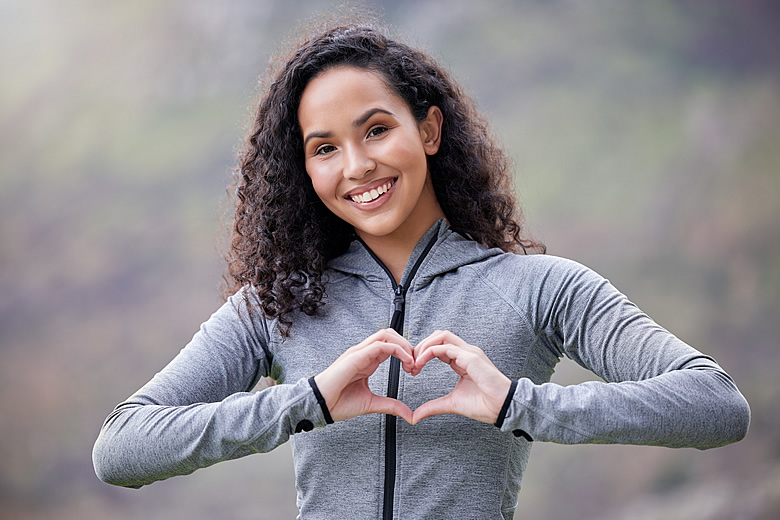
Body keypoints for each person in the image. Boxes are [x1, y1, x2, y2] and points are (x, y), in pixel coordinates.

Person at [92, 21, 750, 519]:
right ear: (306, 170)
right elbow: (123, 448)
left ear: (429, 130)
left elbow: (715, 405)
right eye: (325, 148)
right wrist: (308, 403)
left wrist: (522, 405)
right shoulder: (278, 305)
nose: (357, 166)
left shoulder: (542, 289)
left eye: (376, 130)